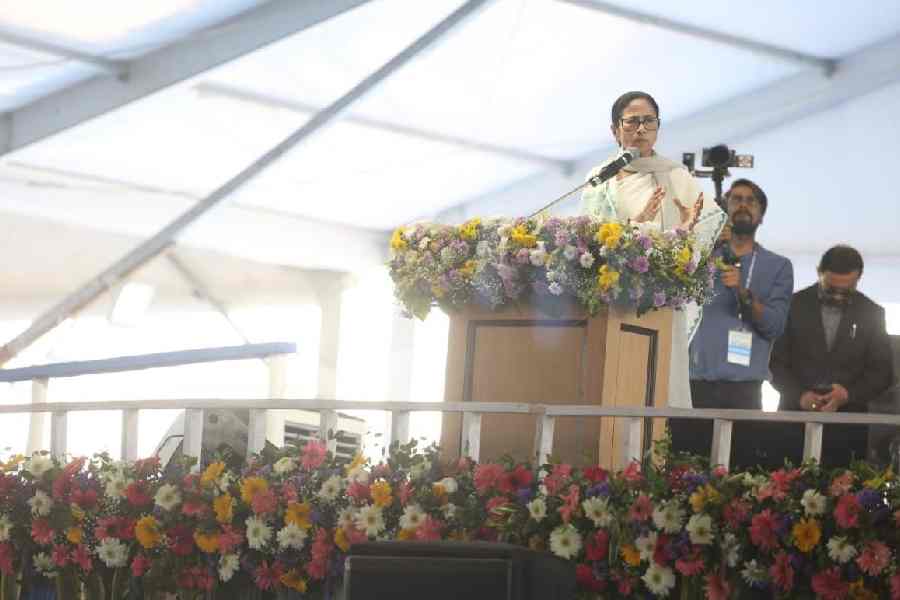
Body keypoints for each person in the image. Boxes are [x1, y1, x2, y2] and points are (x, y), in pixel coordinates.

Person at [580, 91, 727, 410]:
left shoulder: (675, 175)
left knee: (657, 392)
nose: (641, 129)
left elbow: (708, 222)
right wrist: (637, 223)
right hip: (614, 297)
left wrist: (684, 234)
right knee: (615, 390)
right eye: (632, 121)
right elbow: (590, 237)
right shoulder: (600, 178)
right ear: (615, 129)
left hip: (661, 297)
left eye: (649, 121)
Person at [678, 179, 794, 469]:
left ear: (761, 215)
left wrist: (743, 293)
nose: (742, 204)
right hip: (694, 386)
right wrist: (700, 240)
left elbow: (775, 327)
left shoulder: (778, 266)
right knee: (685, 474)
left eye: (751, 200)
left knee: (740, 479)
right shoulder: (700, 257)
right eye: (736, 199)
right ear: (725, 209)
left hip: (744, 391)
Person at [770, 245, 894, 469]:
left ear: (859, 279)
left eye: (846, 291)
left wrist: (847, 394)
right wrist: (800, 396)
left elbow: (882, 372)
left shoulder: (872, 313)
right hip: (792, 422)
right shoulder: (792, 305)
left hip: (847, 428)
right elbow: (774, 362)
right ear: (819, 272)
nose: (837, 296)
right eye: (831, 289)